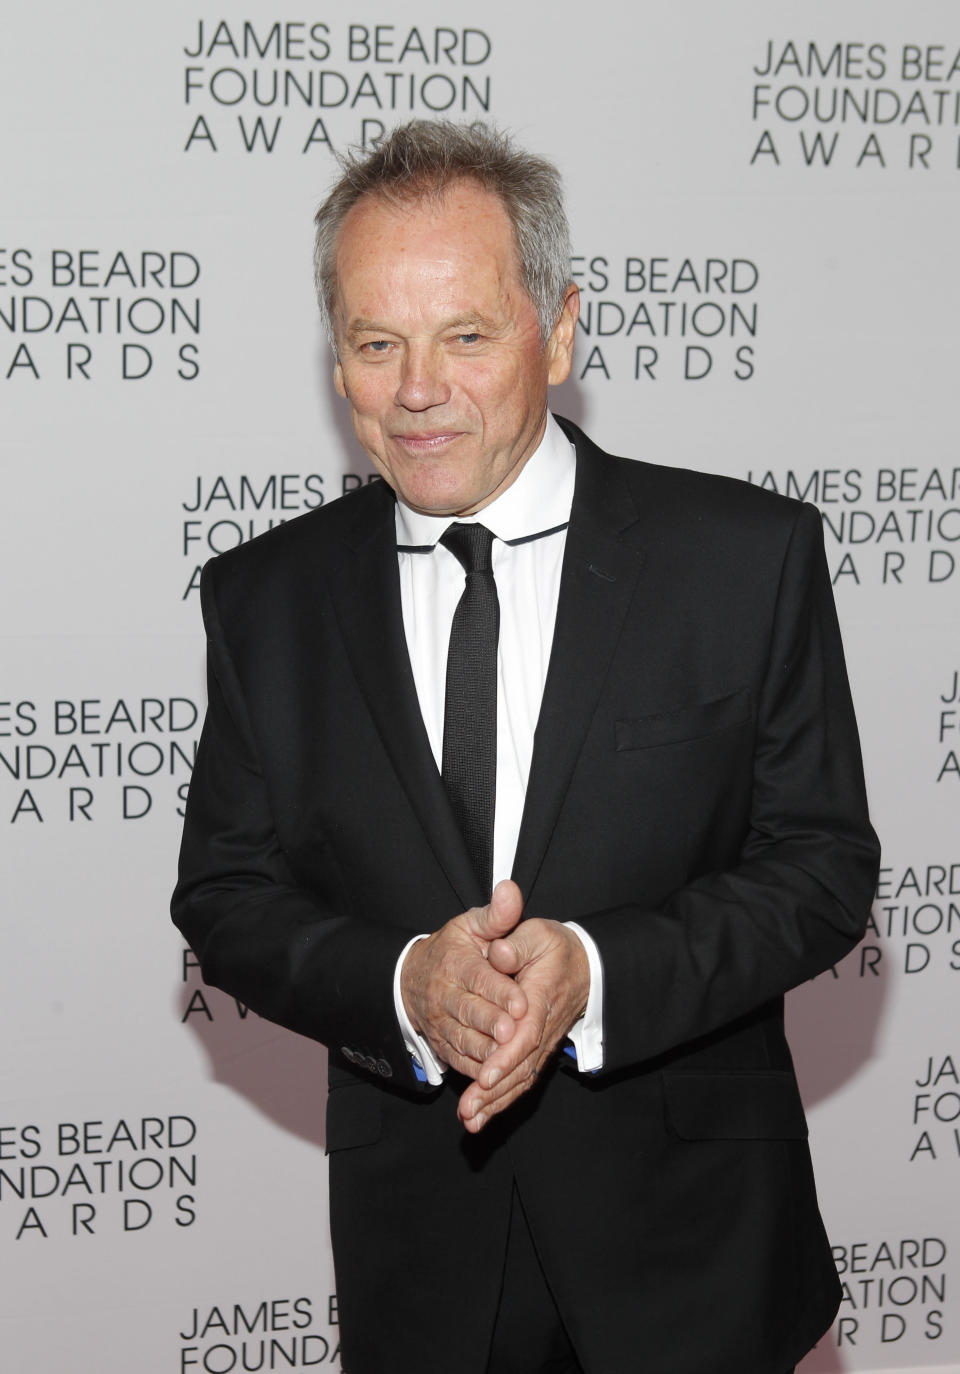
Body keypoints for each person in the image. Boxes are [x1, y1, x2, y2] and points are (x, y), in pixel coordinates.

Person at [172, 120, 880, 1374]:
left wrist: (595, 977)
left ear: (559, 329)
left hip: (697, 1256)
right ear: (336, 361)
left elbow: (819, 871)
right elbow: (226, 897)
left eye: (465, 336)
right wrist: (403, 985)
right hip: (422, 1261)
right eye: (376, 342)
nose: (417, 389)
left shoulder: (743, 560)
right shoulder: (263, 600)